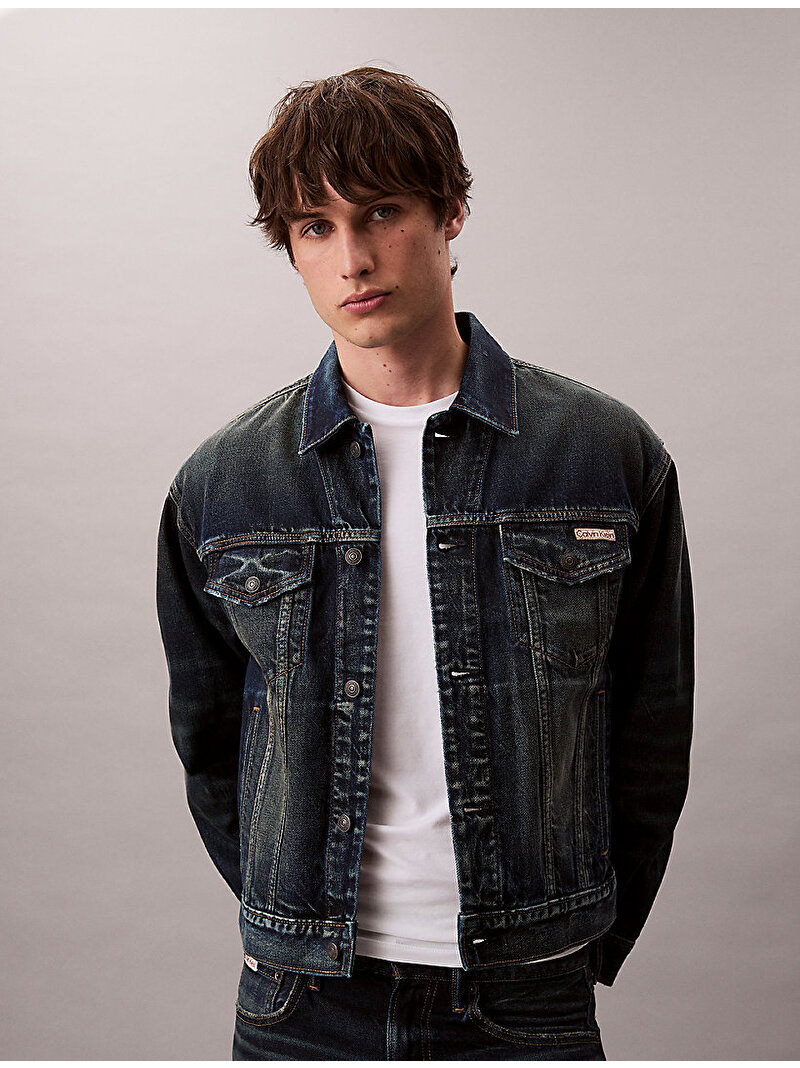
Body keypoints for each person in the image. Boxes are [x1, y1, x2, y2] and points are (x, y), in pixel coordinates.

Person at [156, 67, 694, 1061]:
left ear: (450, 212)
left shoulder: (600, 457)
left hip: (525, 995)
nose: (352, 258)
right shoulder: (226, 484)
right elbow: (212, 741)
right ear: (289, 248)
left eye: (381, 212)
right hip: (302, 1007)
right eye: (314, 227)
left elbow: (651, 729)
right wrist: (288, 916)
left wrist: (572, 937)